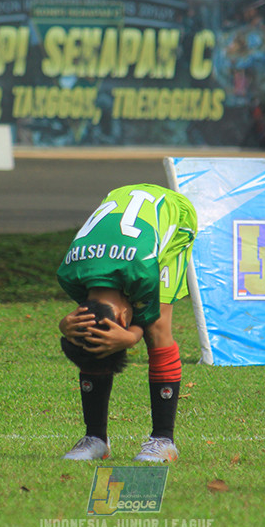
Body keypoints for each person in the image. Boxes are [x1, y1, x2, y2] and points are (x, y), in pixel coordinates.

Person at [56, 184, 197, 462]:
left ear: (121, 317)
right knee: (89, 337)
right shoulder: (68, 274)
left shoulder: (143, 274)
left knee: (157, 328)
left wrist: (132, 337)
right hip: (122, 213)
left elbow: (148, 319)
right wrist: (66, 326)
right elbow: (89, 316)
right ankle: (95, 437)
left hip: (174, 215)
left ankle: (163, 440)